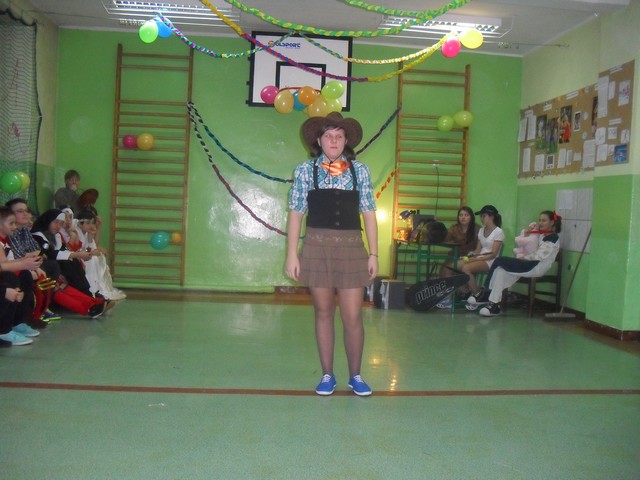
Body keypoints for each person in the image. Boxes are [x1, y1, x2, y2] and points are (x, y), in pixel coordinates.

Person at [285, 112, 378, 397]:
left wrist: (374, 253)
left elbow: (369, 214)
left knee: (352, 316)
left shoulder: (360, 171)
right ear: (319, 140)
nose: (334, 141)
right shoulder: (305, 170)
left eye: (339, 136)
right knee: (323, 312)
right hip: (317, 248)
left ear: (346, 140)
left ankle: (356, 375)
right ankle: (327, 374)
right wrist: (292, 254)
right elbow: (296, 213)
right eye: (328, 136)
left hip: (352, 249)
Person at [469, 210, 562, 317]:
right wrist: (528, 232)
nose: (540, 223)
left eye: (544, 220)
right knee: (500, 270)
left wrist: (522, 258)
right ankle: (494, 304)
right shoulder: (540, 234)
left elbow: (538, 256)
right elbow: (526, 242)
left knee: (499, 260)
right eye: (540, 220)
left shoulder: (553, 238)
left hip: (536, 266)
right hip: (528, 263)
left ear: (552, 222)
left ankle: (486, 292)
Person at [5, 199, 61, 323]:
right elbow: (16, 255)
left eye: (26, 210)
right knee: (29, 274)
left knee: (53, 265)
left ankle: (43, 306)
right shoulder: (9, 232)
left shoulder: (24, 230)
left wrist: (32, 258)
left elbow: (38, 250)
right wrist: (32, 260)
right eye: (20, 211)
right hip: (17, 266)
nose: (25, 214)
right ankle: (30, 312)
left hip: (25, 263)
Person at [435, 206, 480, 309]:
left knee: (448, 268)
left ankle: (452, 297)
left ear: (471, 217)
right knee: (444, 268)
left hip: (470, 258)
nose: (463, 217)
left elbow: (480, 247)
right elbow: (444, 239)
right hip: (454, 256)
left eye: (466, 215)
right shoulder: (454, 228)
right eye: (461, 215)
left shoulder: (477, 229)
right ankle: (449, 297)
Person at [461, 205, 505, 308]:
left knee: (466, 268)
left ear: (491, 216)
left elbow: (493, 254)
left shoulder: (499, 232)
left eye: (483, 216)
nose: (481, 218)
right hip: (481, 258)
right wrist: (473, 253)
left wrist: (477, 258)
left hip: (491, 261)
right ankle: (472, 293)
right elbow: (478, 249)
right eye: (481, 216)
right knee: (459, 264)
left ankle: (478, 295)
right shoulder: (481, 230)